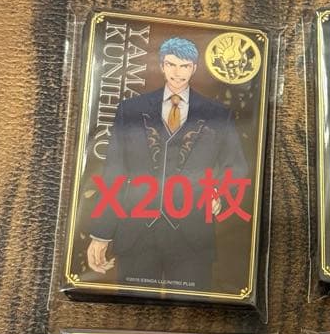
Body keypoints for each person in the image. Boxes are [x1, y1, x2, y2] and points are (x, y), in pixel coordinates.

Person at [86, 36, 249, 292]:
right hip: (135, 234)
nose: (177, 72)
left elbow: (236, 167)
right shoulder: (130, 109)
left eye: (185, 66)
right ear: (162, 65)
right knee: (132, 309)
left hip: (193, 238)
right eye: (171, 64)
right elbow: (114, 173)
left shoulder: (217, 114)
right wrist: (101, 234)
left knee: (193, 311)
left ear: (194, 68)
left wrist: (221, 194)